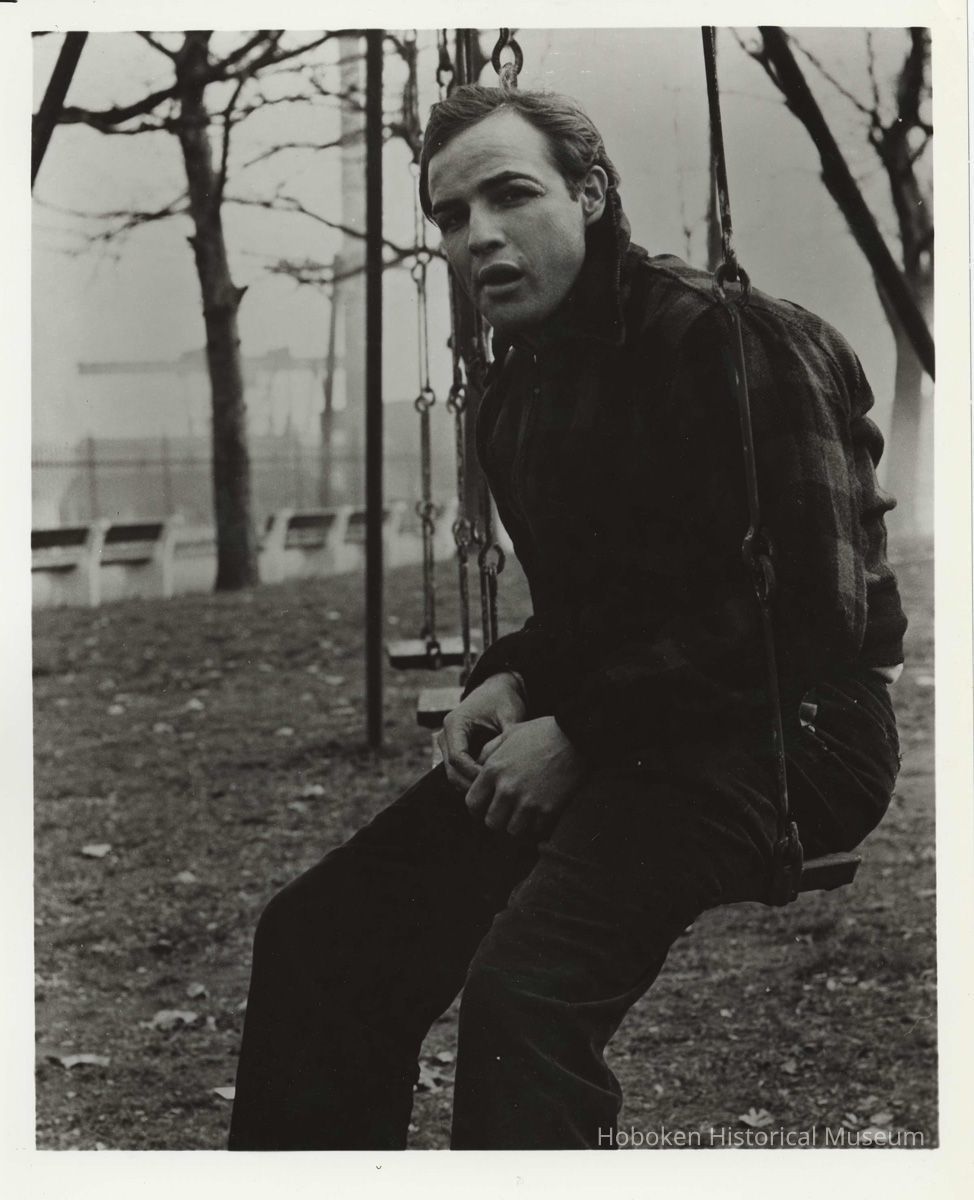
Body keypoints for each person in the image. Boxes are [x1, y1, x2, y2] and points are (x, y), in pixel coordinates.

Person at [228, 85, 906, 1151]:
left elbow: (812, 615)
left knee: (524, 1000)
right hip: (647, 719)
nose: (478, 236)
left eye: (511, 195)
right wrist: (510, 678)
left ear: (590, 194)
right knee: (325, 937)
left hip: (802, 731)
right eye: (452, 216)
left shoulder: (727, 341)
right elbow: (596, 614)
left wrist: (584, 731)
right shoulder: (520, 395)